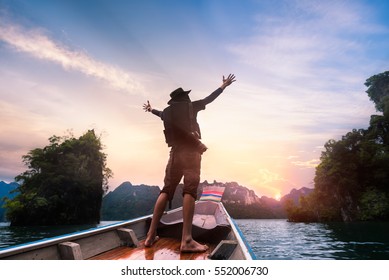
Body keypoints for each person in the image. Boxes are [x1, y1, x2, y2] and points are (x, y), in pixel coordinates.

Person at [143, 74, 236, 252]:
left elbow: (159, 114)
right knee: (189, 190)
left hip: (174, 154)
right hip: (191, 152)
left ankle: (149, 236)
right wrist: (223, 86)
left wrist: (150, 109)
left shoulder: (167, 113)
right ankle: (186, 240)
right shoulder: (191, 107)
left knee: (166, 190)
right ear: (184, 97)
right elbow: (209, 99)